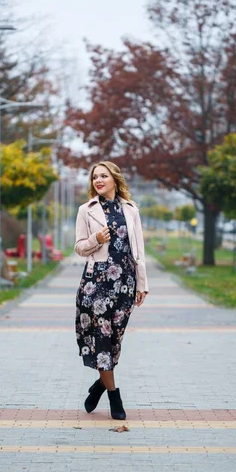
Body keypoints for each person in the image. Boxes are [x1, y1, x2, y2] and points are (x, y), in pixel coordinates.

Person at [74, 161, 149, 420]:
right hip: (96, 283)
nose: (98, 180)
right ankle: (115, 396)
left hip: (125, 281)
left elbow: (138, 250)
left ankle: (99, 386)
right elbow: (79, 247)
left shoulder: (131, 210)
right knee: (102, 340)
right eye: (95, 177)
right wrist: (97, 240)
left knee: (115, 341)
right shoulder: (86, 210)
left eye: (103, 176)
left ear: (115, 179)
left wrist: (142, 284)